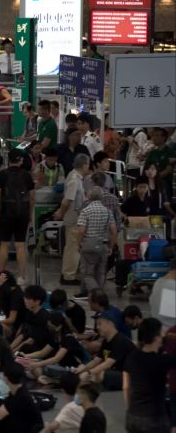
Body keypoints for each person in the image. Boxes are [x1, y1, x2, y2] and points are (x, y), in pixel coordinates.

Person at [123, 317, 176, 432]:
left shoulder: (132, 357)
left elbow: (126, 387)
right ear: (156, 337)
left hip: (133, 416)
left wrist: (130, 410)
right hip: (154, 418)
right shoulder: (162, 361)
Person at [0, 150, 35, 282]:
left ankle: (0, 274)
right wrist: (30, 215)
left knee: (4, 245)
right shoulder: (27, 176)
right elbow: (32, 197)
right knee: (20, 245)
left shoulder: (2, 175)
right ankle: (21, 276)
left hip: (6, 213)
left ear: (8, 160)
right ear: (21, 160)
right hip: (22, 213)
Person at [75, 311, 135, 390]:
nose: (97, 327)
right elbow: (96, 361)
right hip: (118, 372)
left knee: (99, 374)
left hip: (131, 377)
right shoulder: (106, 341)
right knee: (91, 371)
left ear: (110, 324)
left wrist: (88, 373)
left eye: (100, 324)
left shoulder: (120, 341)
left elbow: (108, 364)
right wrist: (83, 369)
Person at [75, 187, 117, 297]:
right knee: (100, 272)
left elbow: (81, 230)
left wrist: (78, 243)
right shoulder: (108, 212)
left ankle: (97, 295)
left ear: (88, 197)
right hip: (103, 245)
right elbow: (113, 231)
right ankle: (95, 295)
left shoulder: (86, 211)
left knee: (87, 274)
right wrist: (111, 246)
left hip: (89, 244)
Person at [56, 154, 91, 287]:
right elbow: (68, 200)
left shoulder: (74, 177)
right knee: (73, 247)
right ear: (84, 165)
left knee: (71, 247)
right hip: (73, 218)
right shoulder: (75, 180)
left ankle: (66, 272)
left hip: (74, 217)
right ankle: (68, 276)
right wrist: (61, 212)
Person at [0, 362, 44, 433]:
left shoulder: (19, 396)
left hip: (30, 429)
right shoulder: (19, 389)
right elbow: (3, 407)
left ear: (6, 378)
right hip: (28, 423)